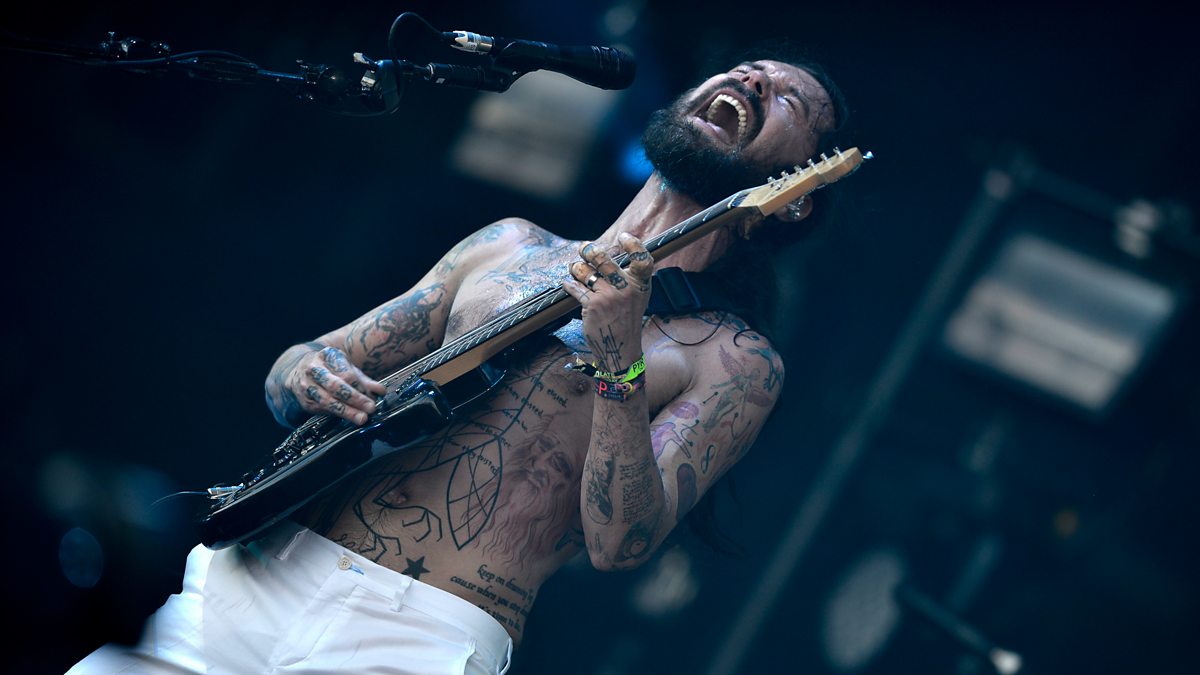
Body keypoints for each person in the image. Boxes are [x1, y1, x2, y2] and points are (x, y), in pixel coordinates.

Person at [70, 53, 846, 674]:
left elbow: (624, 543)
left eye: (787, 97)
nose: (754, 80)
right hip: (257, 568)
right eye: (748, 68)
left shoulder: (736, 358)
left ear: (795, 196)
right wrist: (306, 372)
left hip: (419, 631)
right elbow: (291, 373)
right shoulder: (510, 244)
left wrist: (620, 363)